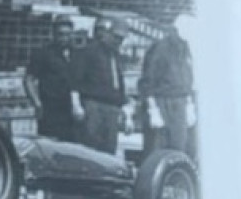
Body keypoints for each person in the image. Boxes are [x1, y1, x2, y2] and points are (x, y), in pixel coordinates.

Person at [139, 13, 196, 156]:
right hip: (164, 101)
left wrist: (189, 104)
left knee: (179, 148)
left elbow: (187, 78)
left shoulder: (184, 49)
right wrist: (153, 109)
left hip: (180, 102)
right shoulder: (160, 49)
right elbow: (149, 80)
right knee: (159, 148)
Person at [74, 17, 128, 155]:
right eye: (116, 37)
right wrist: (76, 105)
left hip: (112, 107)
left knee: (109, 147)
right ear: (107, 33)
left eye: (121, 39)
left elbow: (119, 82)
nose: (118, 42)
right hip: (94, 104)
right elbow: (75, 80)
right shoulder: (89, 51)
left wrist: (123, 107)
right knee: (91, 146)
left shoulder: (116, 55)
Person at [25, 17, 82, 140]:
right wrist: (37, 103)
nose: (64, 38)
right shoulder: (43, 53)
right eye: (60, 34)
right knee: (51, 146)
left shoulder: (78, 54)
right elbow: (29, 79)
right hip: (50, 109)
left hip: (72, 109)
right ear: (54, 35)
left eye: (68, 34)